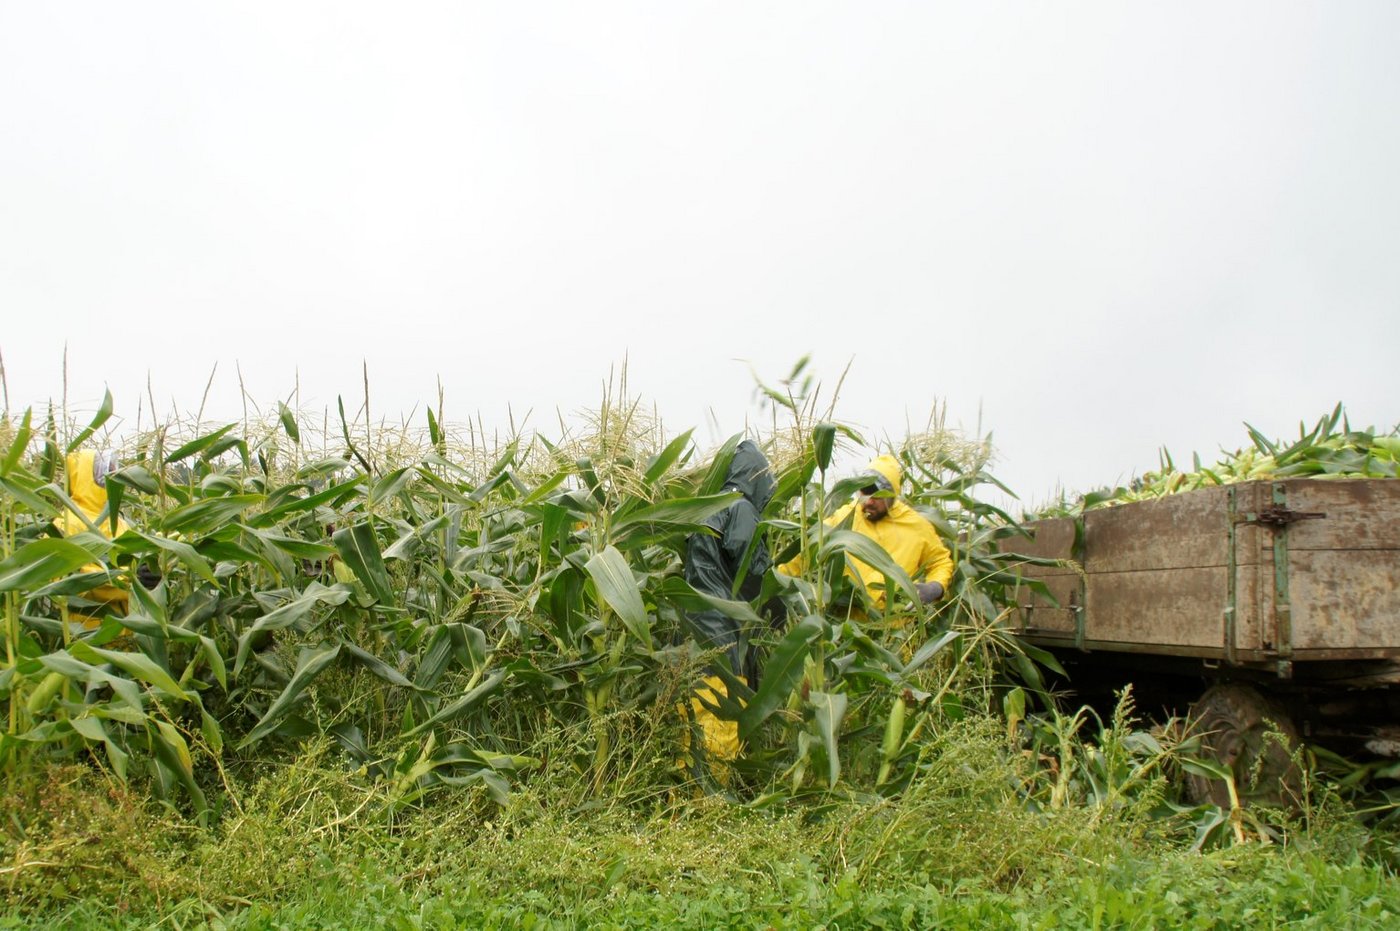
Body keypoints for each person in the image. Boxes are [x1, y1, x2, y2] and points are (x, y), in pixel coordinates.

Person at [679, 438, 775, 778]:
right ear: (757, 477)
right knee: (719, 725)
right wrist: (777, 608)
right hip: (722, 636)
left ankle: (683, 805)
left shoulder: (705, 508)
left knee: (691, 727)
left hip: (690, 636)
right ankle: (710, 808)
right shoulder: (740, 509)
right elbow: (754, 573)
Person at [780, 453, 953, 612]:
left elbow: (940, 561)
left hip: (894, 634)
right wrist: (776, 580)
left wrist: (936, 587)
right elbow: (805, 552)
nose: (869, 501)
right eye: (864, 492)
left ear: (892, 495)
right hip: (846, 630)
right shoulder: (843, 518)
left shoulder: (917, 526)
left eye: (877, 495)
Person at [57, 449, 133, 625]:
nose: (113, 477)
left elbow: (135, 558)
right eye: (106, 471)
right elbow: (76, 582)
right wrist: (132, 581)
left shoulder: (119, 522)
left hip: (126, 634)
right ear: (86, 474)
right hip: (88, 633)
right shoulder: (65, 523)